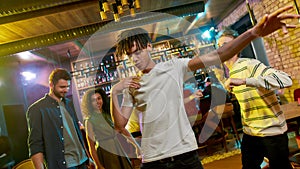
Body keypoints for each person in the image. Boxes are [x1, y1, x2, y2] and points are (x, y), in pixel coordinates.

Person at [110, 6, 299, 169]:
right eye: (129, 55)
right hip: (152, 160)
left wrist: (252, 33)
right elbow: (120, 125)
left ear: (149, 46)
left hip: (185, 155)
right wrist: (114, 93)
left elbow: (218, 55)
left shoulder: (173, 67)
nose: (134, 59)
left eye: (138, 51)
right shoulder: (131, 85)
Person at [217, 27, 293, 169]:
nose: (222, 49)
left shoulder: (249, 64)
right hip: (250, 133)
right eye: (219, 46)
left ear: (237, 47)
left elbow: (286, 79)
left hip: (271, 132)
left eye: (226, 44)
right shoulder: (230, 72)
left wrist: (245, 81)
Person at [26, 68, 90, 169]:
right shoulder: (37, 109)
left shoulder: (69, 103)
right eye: (62, 87)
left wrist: (87, 156)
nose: (66, 90)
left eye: (67, 87)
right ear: (51, 85)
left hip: (82, 161)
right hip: (64, 165)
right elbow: (35, 145)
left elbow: (77, 134)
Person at [81, 88, 134, 169]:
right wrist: (98, 165)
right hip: (105, 153)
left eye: (99, 98)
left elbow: (120, 129)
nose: (97, 102)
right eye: (93, 100)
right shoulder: (89, 120)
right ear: (89, 103)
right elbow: (91, 146)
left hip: (117, 148)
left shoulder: (109, 114)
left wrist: (136, 146)